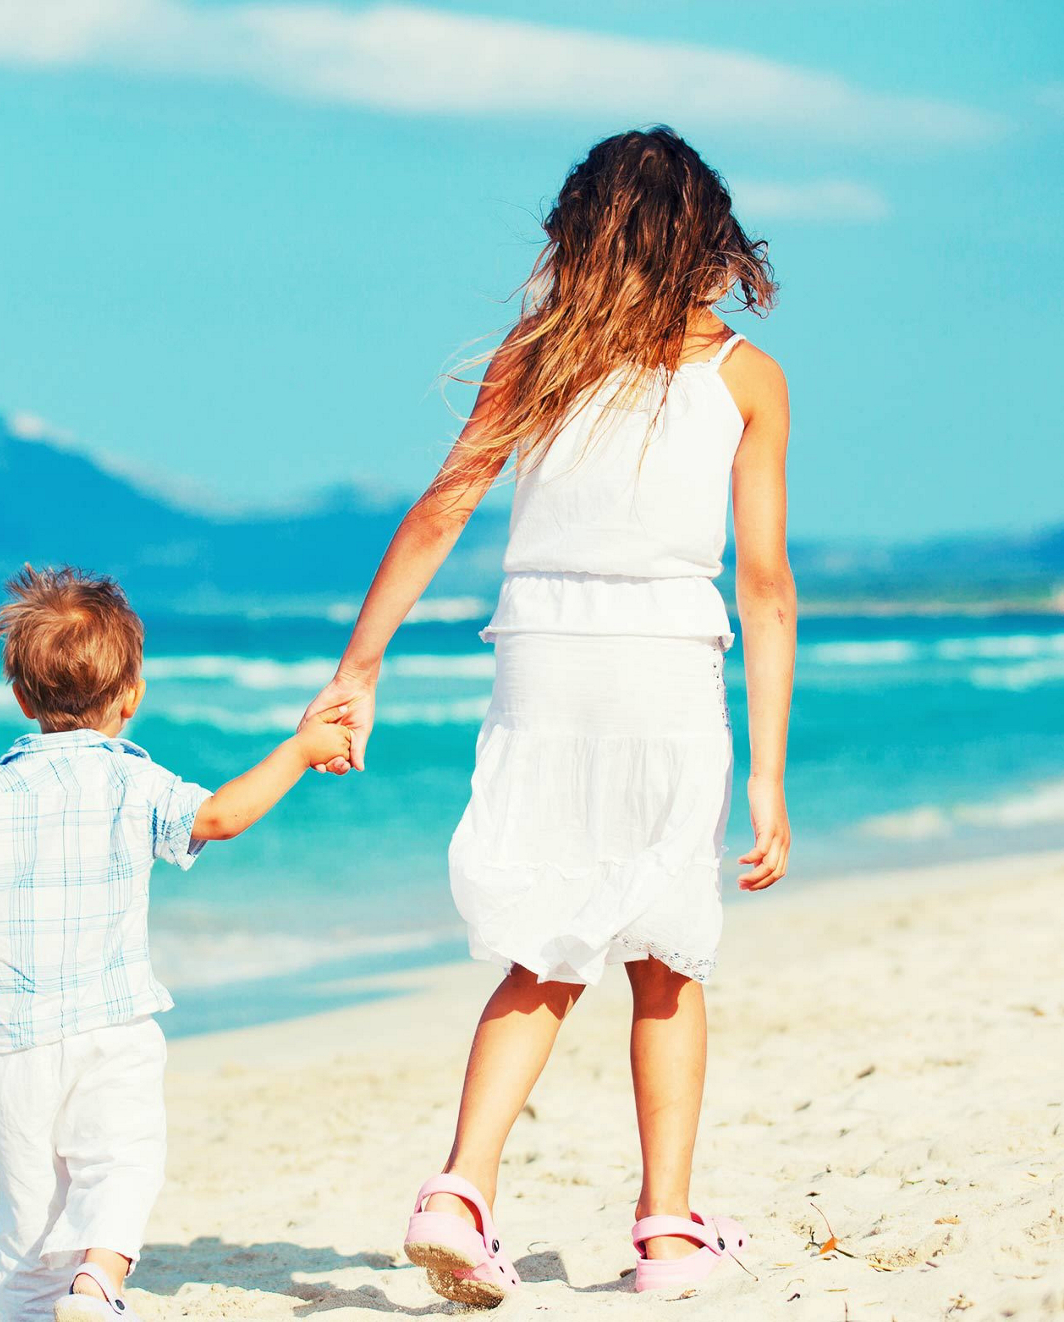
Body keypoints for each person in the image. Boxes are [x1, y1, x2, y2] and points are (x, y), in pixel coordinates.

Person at [300, 126, 796, 1306]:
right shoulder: (745, 376)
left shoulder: (536, 356)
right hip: (666, 664)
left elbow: (440, 512)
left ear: (578, 233)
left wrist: (361, 663)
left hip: (541, 662)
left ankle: (459, 1190)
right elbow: (766, 588)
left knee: (548, 941)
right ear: (706, 240)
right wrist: (770, 777)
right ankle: (668, 1230)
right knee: (668, 951)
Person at [0, 564, 355, 1322]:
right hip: (111, 1025)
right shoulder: (130, 784)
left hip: (16, 1044)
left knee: (27, 1214)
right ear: (132, 696)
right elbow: (220, 817)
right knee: (122, 1160)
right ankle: (98, 1283)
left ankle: (28, 1308)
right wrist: (299, 751)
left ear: (21, 696)